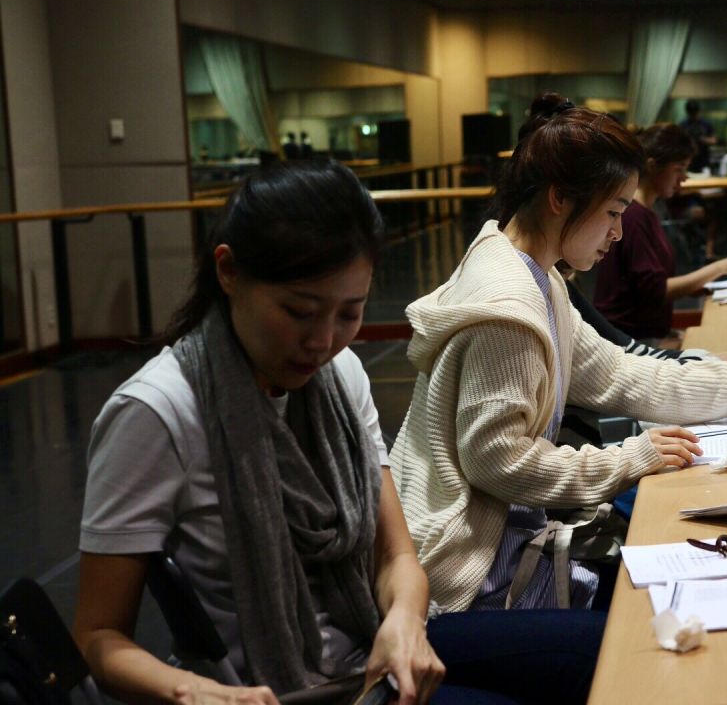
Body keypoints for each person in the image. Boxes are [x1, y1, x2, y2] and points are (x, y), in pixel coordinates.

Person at [73, 162, 599, 705]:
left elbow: (396, 558)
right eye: (299, 311)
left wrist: (403, 620)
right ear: (227, 272)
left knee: (601, 650)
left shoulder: (341, 374)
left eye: (349, 313)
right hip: (277, 688)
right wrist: (194, 693)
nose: (323, 341)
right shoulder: (155, 412)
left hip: (369, 647)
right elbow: (97, 636)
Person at [389, 103, 727, 616]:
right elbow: (499, 460)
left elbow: (619, 373)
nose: (617, 233)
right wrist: (630, 459)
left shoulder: (540, 276)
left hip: (515, 558)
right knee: (656, 626)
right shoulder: (509, 305)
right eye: (613, 213)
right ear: (559, 199)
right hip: (470, 582)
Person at [594, 123, 727, 341]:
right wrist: (721, 267)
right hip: (628, 340)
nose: (684, 178)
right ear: (652, 166)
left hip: (643, 335)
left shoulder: (644, 211)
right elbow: (656, 291)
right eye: (679, 169)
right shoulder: (634, 216)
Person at [679, 99, 715, 174]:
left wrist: (701, 139)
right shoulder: (683, 125)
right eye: (691, 113)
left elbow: (713, 140)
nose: (693, 115)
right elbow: (678, 143)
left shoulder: (705, 124)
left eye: (695, 113)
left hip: (703, 160)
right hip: (688, 161)